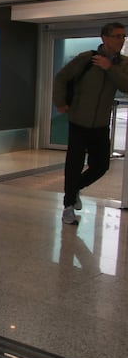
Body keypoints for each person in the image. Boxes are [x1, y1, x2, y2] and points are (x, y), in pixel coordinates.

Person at [53, 22, 128, 225]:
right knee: (74, 165)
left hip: (101, 124)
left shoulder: (123, 64)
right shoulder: (87, 58)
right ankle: (68, 207)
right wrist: (60, 103)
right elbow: (61, 78)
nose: (121, 40)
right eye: (117, 36)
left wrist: (109, 68)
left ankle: (75, 188)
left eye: (123, 36)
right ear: (104, 38)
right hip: (78, 121)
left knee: (101, 165)